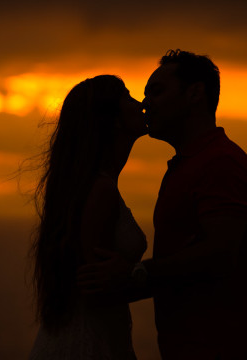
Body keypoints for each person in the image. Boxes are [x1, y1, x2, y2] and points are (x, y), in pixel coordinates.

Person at [77, 50, 247, 359]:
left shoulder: (220, 163)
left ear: (195, 94)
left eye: (157, 91)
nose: (145, 104)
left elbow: (223, 252)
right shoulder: (186, 166)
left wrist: (135, 274)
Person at [28, 75, 148, 359]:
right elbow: (98, 286)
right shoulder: (101, 188)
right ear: (113, 119)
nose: (141, 104)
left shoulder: (91, 184)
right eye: (128, 97)